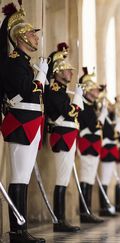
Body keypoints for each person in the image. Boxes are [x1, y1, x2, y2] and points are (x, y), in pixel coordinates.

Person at [0, 2, 47, 242]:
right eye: (31, 34)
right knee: (18, 177)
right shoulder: (14, 62)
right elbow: (26, 91)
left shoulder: (24, 63)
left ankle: (21, 227)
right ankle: (17, 231)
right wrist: (41, 76)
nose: (35, 38)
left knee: (24, 178)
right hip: (20, 124)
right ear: (20, 37)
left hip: (29, 123)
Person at [44, 43, 83, 232]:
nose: (70, 73)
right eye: (67, 70)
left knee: (64, 179)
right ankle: (59, 221)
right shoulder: (55, 89)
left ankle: (61, 219)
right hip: (62, 135)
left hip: (67, 135)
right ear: (57, 71)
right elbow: (68, 112)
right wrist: (77, 100)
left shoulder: (59, 89)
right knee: (61, 179)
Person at [76, 67, 105, 224]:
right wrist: (100, 119)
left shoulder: (92, 106)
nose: (96, 92)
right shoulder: (84, 106)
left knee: (90, 177)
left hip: (94, 144)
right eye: (94, 89)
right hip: (87, 144)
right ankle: (84, 211)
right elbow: (93, 126)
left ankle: (87, 210)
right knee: (85, 177)